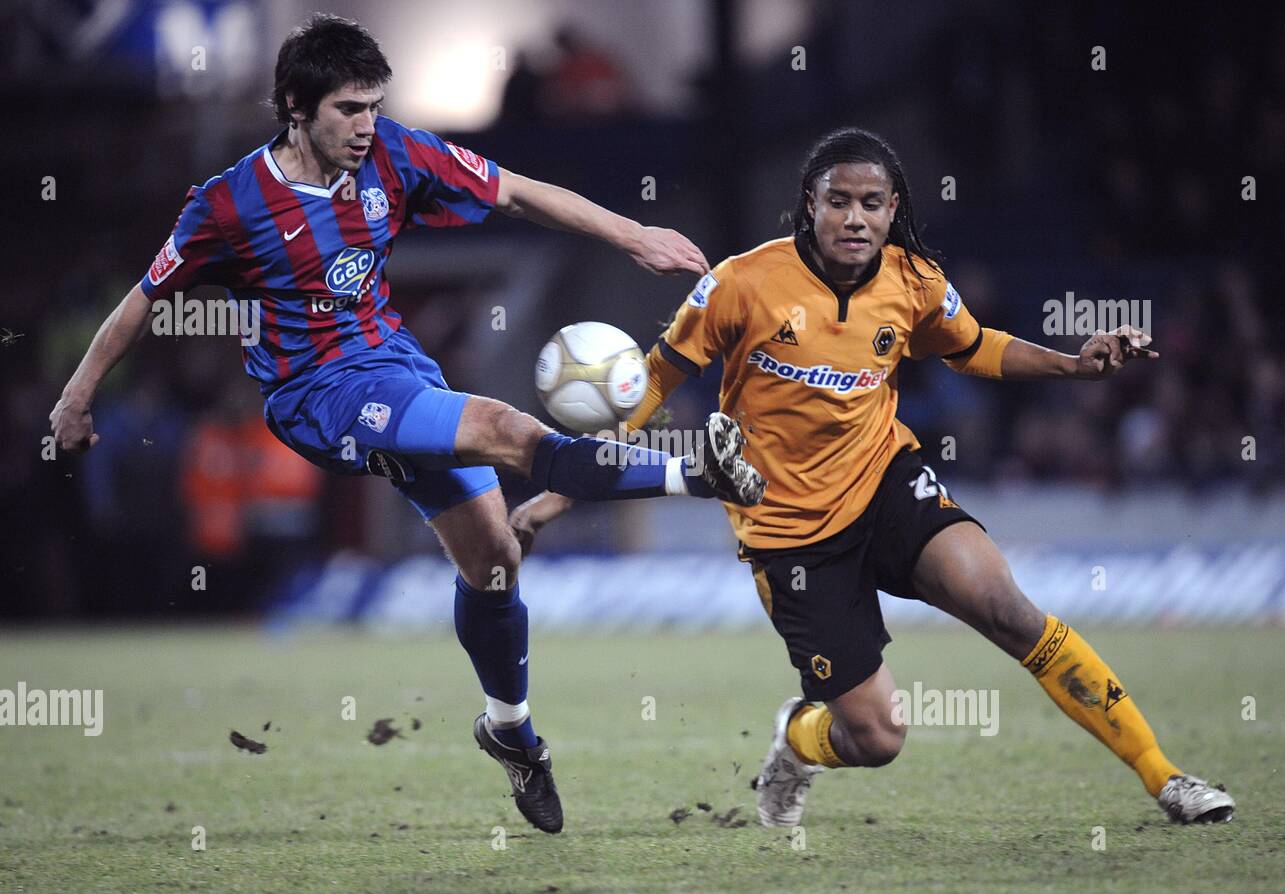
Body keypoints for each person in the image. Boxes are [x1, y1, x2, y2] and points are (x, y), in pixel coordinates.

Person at [47, 14, 765, 836]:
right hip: (316, 395)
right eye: (349, 109)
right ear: (295, 105)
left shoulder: (395, 152)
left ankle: (508, 731)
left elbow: (518, 191)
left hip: (393, 363)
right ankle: (697, 472)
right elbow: (144, 298)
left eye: (373, 107)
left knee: (494, 560)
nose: (365, 126)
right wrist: (77, 396)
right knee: (504, 427)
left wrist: (631, 233)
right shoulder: (228, 204)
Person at [510, 126, 1236, 827]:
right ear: (809, 205)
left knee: (1011, 612)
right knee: (879, 739)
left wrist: (1074, 363)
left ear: (894, 211)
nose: (855, 218)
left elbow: (974, 346)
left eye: (872, 204)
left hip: (886, 481)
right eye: (838, 201)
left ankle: (1165, 777)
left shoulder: (913, 281)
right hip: (788, 535)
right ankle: (798, 742)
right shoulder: (739, 285)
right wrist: (561, 491)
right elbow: (652, 389)